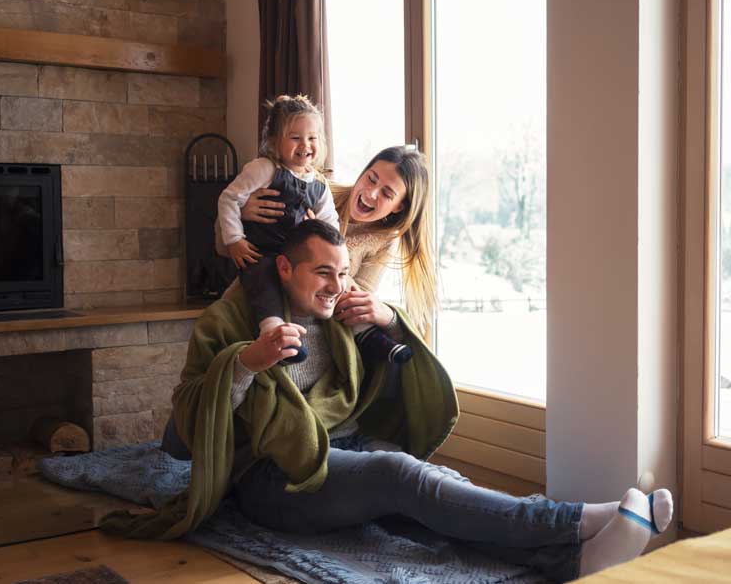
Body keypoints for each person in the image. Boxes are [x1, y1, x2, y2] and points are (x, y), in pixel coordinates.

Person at [106, 220, 673, 583]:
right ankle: (580, 520)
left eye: (343, 272)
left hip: (339, 446)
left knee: (441, 493)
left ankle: (578, 559)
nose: (335, 284)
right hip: (273, 478)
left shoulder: (342, 317)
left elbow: (402, 379)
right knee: (402, 478)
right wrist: (248, 362)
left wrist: (390, 319)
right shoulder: (227, 322)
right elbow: (182, 429)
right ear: (285, 268)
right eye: (322, 272)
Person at [217, 97, 412, 365]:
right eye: (371, 178)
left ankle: (369, 340)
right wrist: (242, 217)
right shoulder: (306, 182)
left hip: (315, 319)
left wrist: (337, 263)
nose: (370, 193)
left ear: (400, 206)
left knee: (343, 286)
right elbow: (224, 228)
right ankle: (274, 334)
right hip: (262, 269)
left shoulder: (321, 191)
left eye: (387, 193)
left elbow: (351, 296)